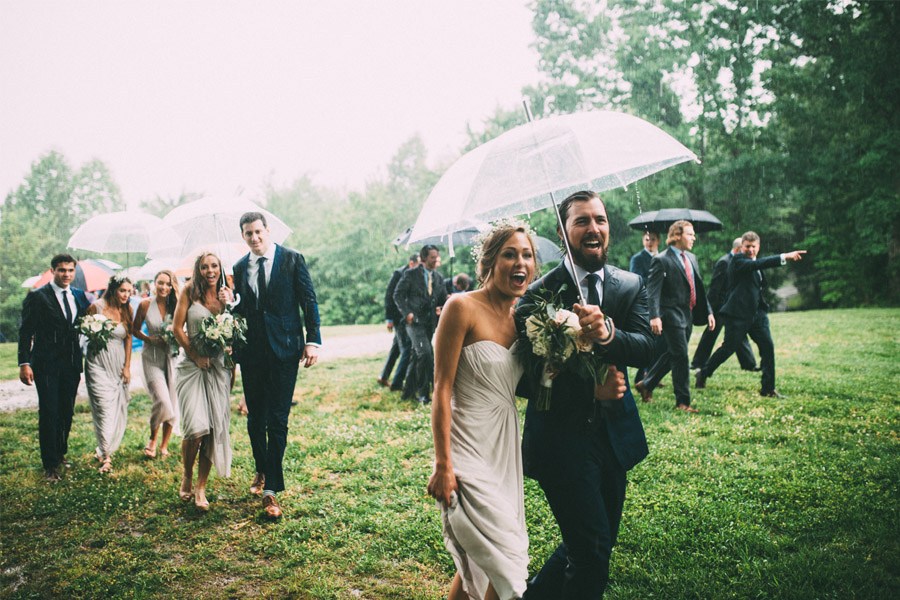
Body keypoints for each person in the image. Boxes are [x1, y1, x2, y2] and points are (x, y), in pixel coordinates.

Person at [516, 190, 654, 598]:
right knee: (592, 552)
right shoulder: (536, 296)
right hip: (560, 441)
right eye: (582, 221)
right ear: (563, 231)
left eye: (601, 219)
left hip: (614, 437)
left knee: (598, 541)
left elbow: (646, 346)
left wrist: (609, 334)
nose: (594, 228)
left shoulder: (630, 285)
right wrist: (588, 387)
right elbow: (526, 380)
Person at [426, 222, 537, 600]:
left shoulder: (526, 320)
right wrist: (444, 465)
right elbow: (441, 389)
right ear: (490, 261)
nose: (519, 262)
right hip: (465, 444)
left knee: (485, 557)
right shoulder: (461, 307)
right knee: (504, 557)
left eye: (527, 254)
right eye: (510, 253)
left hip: (505, 446)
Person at [231, 212, 322, 519]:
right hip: (252, 353)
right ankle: (261, 468)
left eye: (258, 232)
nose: (254, 238)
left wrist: (313, 340)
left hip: (285, 349)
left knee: (278, 419)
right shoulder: (239, 267)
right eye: (248, 234)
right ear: (243, 236)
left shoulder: (292, 259)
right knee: (255, 418)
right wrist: (229, 304)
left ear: (268, 231)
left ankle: (271, 488)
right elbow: (242, 310)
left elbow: (309, 301)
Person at [696, 232, 806, 397]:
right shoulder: (737, 261)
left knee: (768, 347)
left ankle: (768, 389)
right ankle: (704, 373)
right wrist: (785, 256)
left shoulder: (756, 264)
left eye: (754, 247)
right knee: (728, 349)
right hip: (737, 315)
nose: (751, 250)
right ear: (741, 247)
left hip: (758, 315)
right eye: (747, 246)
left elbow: (757, 283)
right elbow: (760, 263)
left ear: (758, 247)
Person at [18, 254, 90, 482]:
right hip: (46, 364)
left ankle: (60, 454)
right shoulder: (38, 297)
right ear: (52, 271)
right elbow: (25, 331)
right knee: (49, 412)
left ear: (74, 271)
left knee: (66, 411)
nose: (66, 274)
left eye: (70, 270)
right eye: (61, 270)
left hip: (71, 364)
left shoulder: (78, 296)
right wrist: (24, 363)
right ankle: (50, 465)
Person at [174, 252, 233, 511]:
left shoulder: (227, 293)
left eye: (214, 266)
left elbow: (235, 329)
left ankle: (200, 487)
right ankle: (187, 473)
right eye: (205, 267)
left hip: (218, 368)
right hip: (191, 366)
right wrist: (195, 355)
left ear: (220, 268)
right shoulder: (189, 290)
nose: (210, 271)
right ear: (198, 270)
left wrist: (229, 304)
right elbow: (177, 328)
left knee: (213, 429)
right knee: (196, 429)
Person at [635, 220, 714, 413]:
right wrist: (654, 316)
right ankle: (683, 402)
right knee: (681, 357)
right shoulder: (662, 259)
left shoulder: (692, 258)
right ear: (677, 236)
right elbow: (652, 291)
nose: (694, 238)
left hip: (687, 314)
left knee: (673, 354)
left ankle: (647, 384)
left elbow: (699, 288)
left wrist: (709, 311)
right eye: (690, 234)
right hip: (670, 315)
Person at [85, 275, 134, 473]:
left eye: (129, 291)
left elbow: (128, 338)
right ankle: (106, 456)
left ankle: (104, 447)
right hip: (97, 362)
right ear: (113, 289)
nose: (126, 295)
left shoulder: (127, 309)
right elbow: (85, 332)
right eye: (123, 290)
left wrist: (127, 366)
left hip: (117, 363)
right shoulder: (96, 307)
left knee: (116, 407)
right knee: (103, 406)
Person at [691, 238, 759, 372]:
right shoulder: (724, 262)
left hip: (732, 306)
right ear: (738, 249)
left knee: (738, 334)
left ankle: (749, 364)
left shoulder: (740, 262)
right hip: (720, 306)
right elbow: (715, 288)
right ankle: (698, 362)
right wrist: (710, 309)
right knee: (711, 334)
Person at [133, 270, 180, 459]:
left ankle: (164, 445)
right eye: (160, 283)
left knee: (173, 401)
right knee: (162, 400)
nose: (163, 287)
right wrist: (149, 338)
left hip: (173, 358)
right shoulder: (145, 304)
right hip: (151, 358)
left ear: (172, 286)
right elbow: (134, 329)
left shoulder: (177, 305)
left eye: (168, 284)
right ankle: (153, 439)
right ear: (154, 283)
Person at [394, 244, 448, 404]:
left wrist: (445, 303)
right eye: (433, 257)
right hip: (413, 323)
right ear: (424, 258)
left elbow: (442, 299)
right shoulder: (410, 274)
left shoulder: (438, 278)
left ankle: (407, 393)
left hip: (429, 323)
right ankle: (424, 394)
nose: (436, 259)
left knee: (416, 356)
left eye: (437, 257)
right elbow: (397, 294)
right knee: (425, 353)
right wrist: (407, 313)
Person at [377, 254, 419, 390]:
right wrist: (389, 319)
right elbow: (389, 296)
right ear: (411, 263)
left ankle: (384, 376)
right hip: (397, 317)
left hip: (406, 316)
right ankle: (397, 383)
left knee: (396, 348)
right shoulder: (399, 274)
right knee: (407, 348)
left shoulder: (415, 276)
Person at [629, 230, 662, 384]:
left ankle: (652, 374)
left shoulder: (662, 258)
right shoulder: (638, 259)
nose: (650, 242)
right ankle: (642, 376)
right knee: (649, 339)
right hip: (645, 302)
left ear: (659, 241)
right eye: (647, 239)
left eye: (653, 239)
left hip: (661, 303)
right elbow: (636, 279)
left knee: (660, 341)